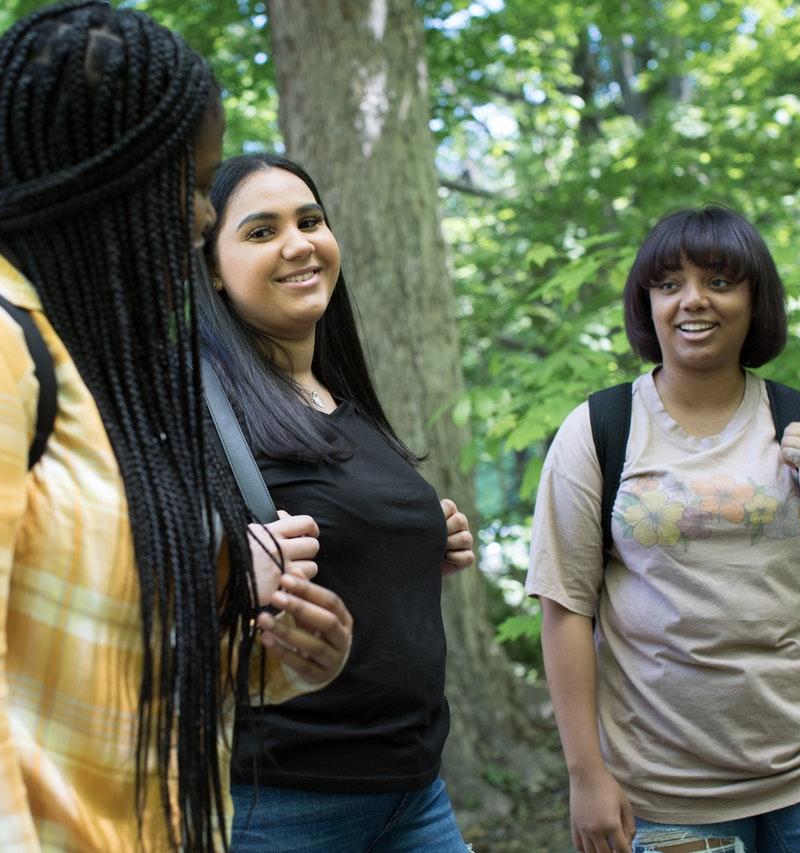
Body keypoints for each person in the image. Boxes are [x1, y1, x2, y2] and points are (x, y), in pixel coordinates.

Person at [0, 6, 352, 851]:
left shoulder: (85, 361)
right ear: (100, 179)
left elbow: (93, 653)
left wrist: (274, 659)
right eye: (189, 181)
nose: (203, 217)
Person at [528, 206, 800, 852]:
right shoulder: (598, 431)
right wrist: (586, 773)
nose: (691, 301)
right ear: (646, 302)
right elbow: (566, 609)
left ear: (754, 298)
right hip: (666, 786)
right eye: (669, 284)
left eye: (718, 281)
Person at [198, 153, 475, 852]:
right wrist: (226, 559)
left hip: (416, 792)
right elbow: (139, 565)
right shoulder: (201, 408)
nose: (298, 243)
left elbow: (339, 539)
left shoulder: (343, 401)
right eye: (261, 232)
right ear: (210, 270)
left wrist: (415, 538)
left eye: (310, 220)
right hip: (281, 806)